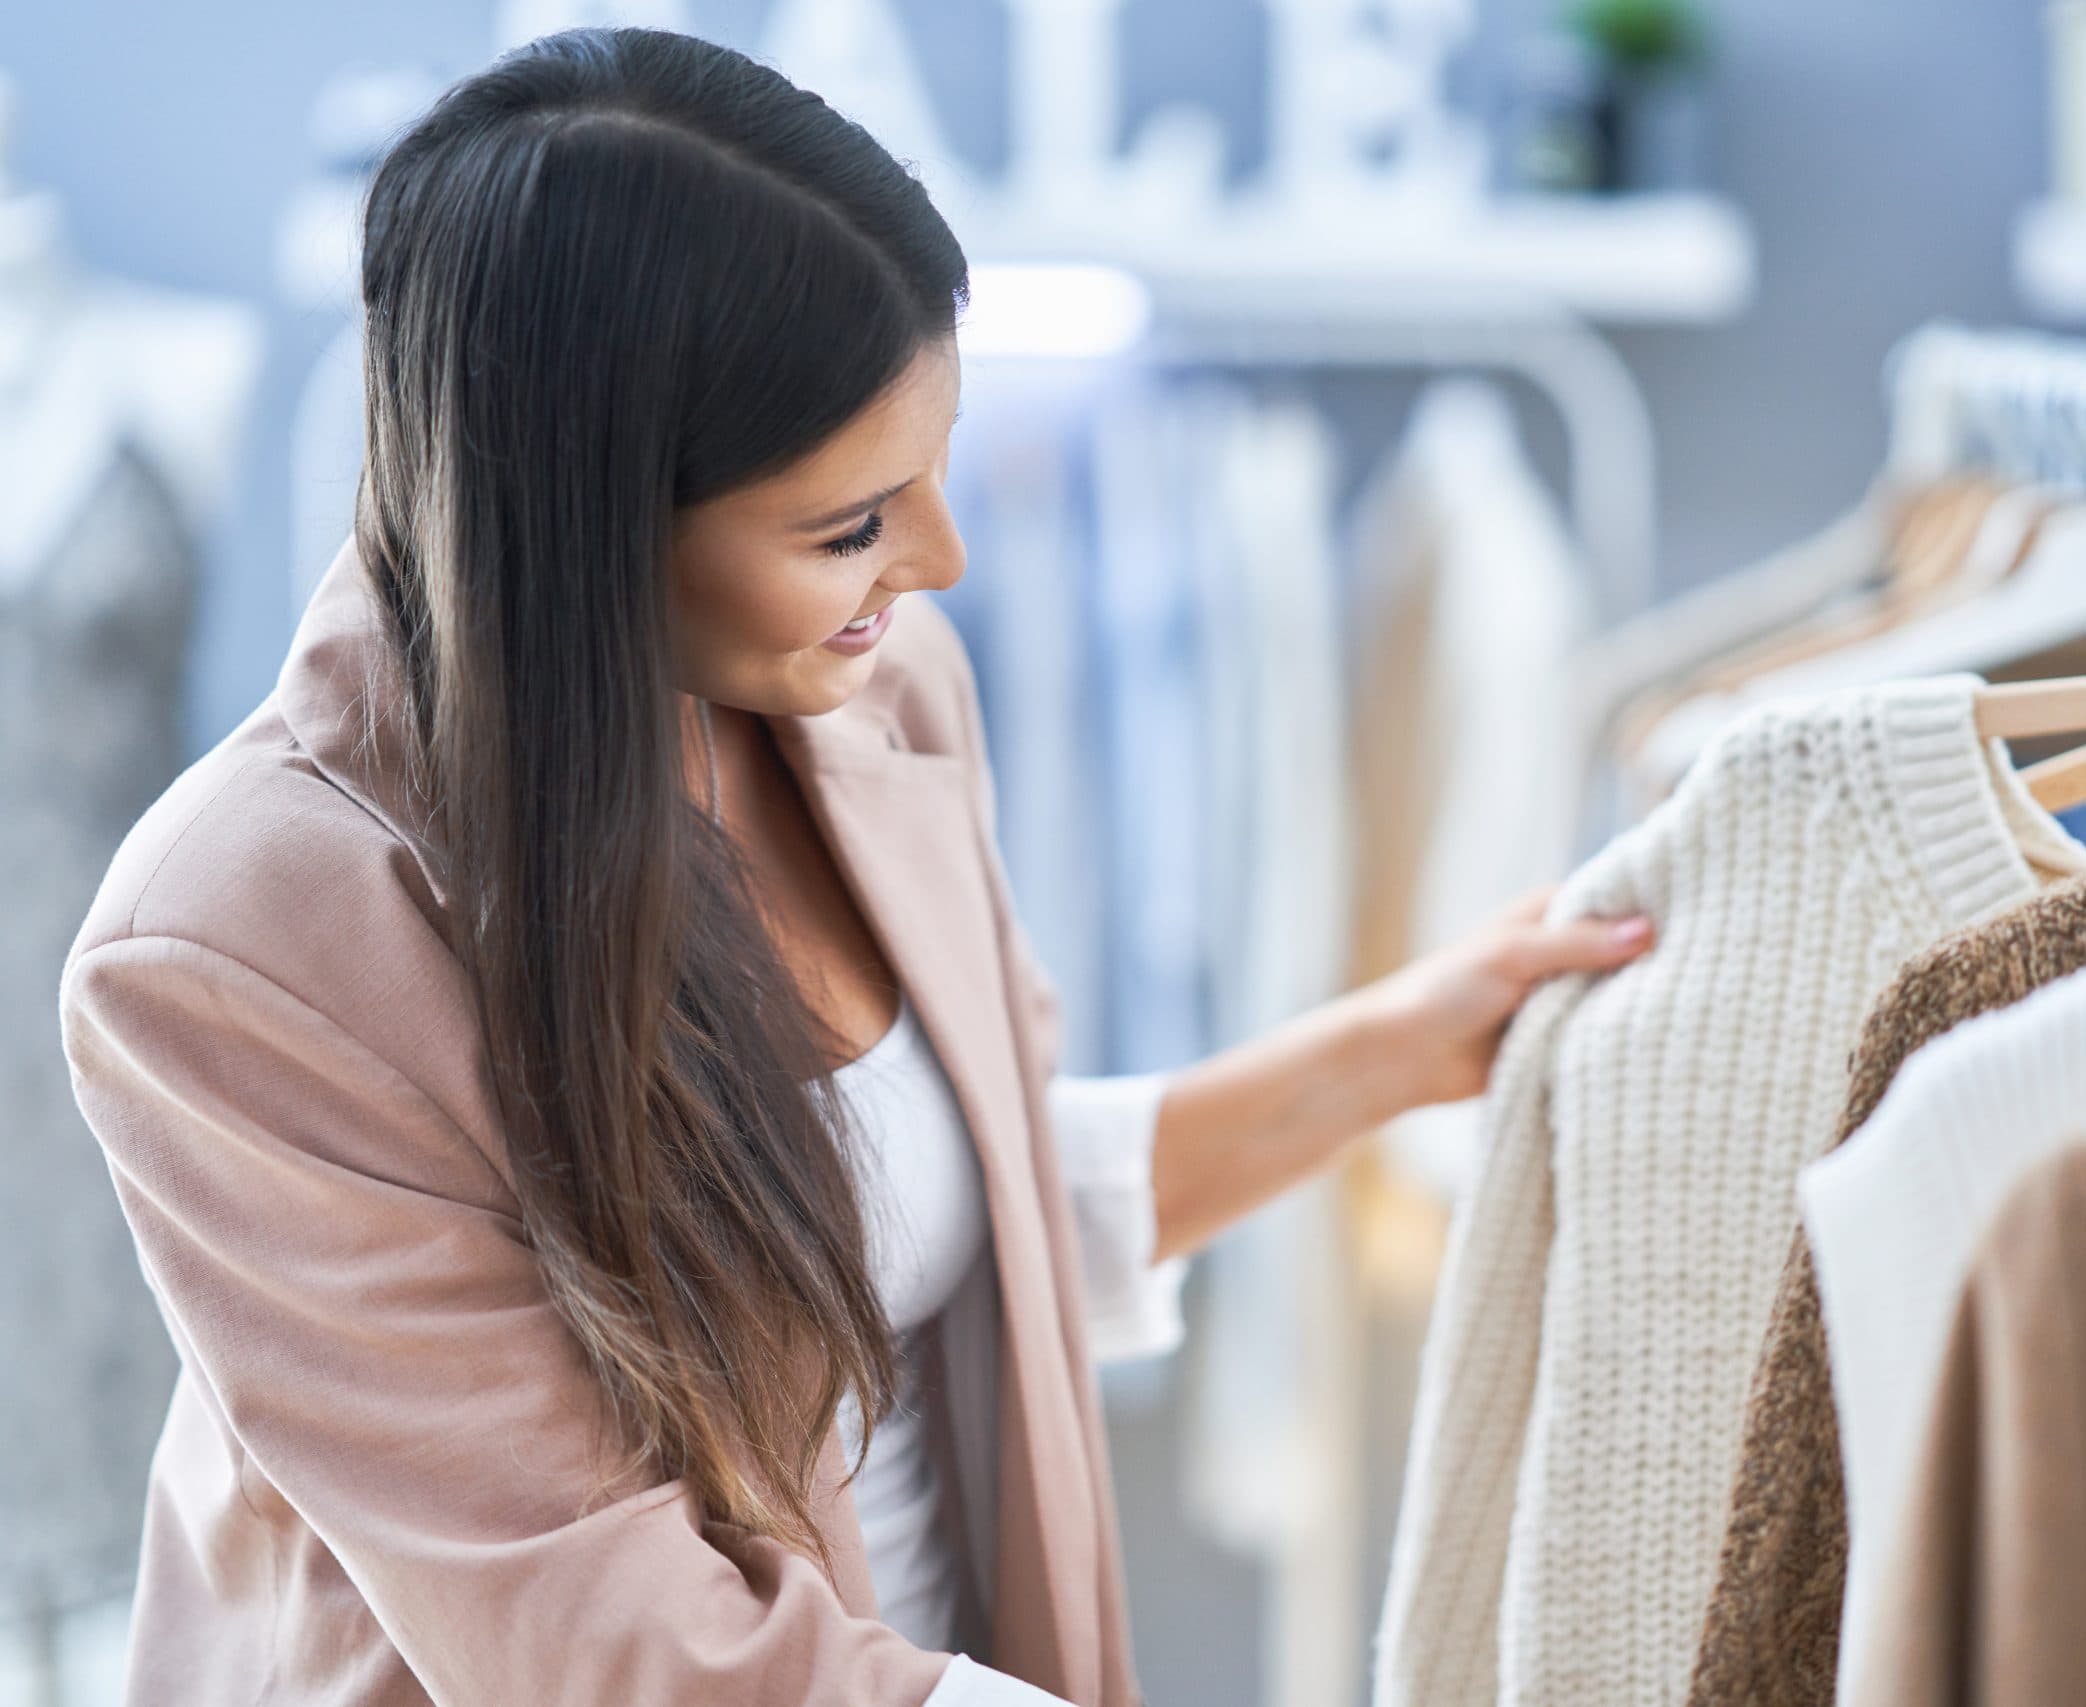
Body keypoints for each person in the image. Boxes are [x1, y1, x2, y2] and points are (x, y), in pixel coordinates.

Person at [55, 27, 1653, 1706]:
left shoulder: (869, 694)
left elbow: (953, 1205)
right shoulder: (235, 952)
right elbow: (601, 1637)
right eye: (852, 526)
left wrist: (1408, 1043)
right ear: (592, 523)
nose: (943, 563)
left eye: (930, 480)